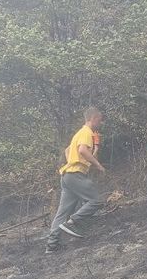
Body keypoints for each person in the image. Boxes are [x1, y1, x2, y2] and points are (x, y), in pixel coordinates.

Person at [45, 107, 106, 253]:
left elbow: (68, 151)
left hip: (67, 176)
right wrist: (98, 165)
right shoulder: (86, 132)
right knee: (96, 200)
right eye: (99, 119)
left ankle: (52, 245)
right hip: (76, 175)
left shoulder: (80, 133)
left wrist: (96, 146)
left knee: (62, 212)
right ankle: (74, 221)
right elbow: (83, 151)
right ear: (93, 118)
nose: (101, 122)